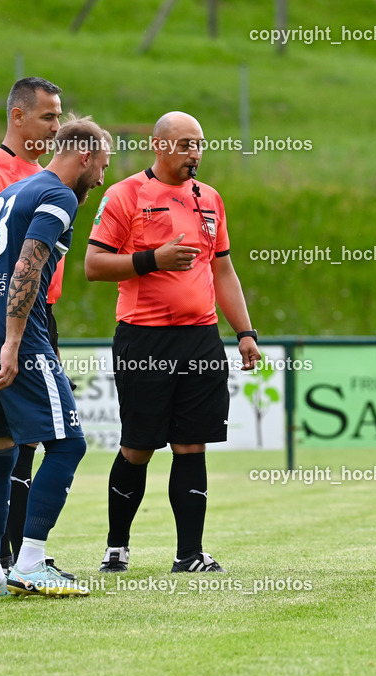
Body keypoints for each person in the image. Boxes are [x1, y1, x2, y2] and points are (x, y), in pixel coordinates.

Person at [85, 111, 261, 573]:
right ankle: (116, 547)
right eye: (185, 144)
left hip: (201, 339)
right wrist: (153, 260)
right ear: (160, 146)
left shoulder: (211, 199)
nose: (195, 153)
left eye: (200, 144)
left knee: (192, 444)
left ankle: (189, 554)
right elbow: (94, 265)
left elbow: (222, 269)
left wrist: (244, 332)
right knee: (138, 446)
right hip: (144, 340)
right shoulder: (125, 194)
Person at [0, 115, 112, 597]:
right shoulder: (58, 196)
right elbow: (28, 262)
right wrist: (14, 340)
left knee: (1, 450)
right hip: (20, 333)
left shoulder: (10, 193)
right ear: (84, 157)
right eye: (102, 165)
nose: (102, 177)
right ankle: (29, 561)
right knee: (68, 444)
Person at [0, 77, 70, 578]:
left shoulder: (42, 174)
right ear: (17, 116)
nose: (56, 126)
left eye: (60, 117)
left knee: (18, 445)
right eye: (47, 117)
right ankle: (18, 557)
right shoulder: (1, 172)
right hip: (10, 321)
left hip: (38, 316)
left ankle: (11, 555)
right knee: (39, 442)